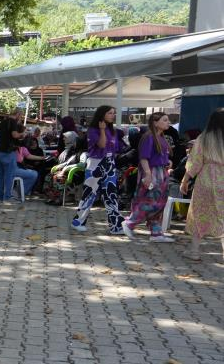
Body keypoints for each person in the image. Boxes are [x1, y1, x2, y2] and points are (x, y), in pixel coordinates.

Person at [72, 105, 125, 234]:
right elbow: (101, 145)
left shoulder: (113, 131)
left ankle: (116, 226)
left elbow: (117, 148)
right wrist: (102, 130)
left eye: (114, 113)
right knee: (90, 194)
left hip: (110, 163)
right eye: (110, 113)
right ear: (102, 115)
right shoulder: (93, 130)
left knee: (111, 194)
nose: (113, 115)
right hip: (95, 163)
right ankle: (78, 221)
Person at [123, 112, 175, 243]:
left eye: (167, 120)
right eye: (164, 120)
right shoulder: (149, 137)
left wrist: (167, 162)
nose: (168, 122)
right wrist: (148, 174)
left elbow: (159, 156)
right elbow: (144, 158)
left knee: (159, 202)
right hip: (152, 172)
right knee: (149, 201)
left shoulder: (161, 137)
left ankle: (156, 232)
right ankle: (130, 223)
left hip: (162, 172)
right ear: (155, 122)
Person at [181, 108, 224, 261]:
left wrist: (184, 180)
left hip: (206, 179)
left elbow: (194, 163)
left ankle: (194, 252)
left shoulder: (203, 138)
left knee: (199, 213)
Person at [0, 112, 21, 203]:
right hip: (8, 152)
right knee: (9, 175)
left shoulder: (3, 122)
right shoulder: (13, 122)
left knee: (0, 175)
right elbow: (14, 135)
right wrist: (22, 134)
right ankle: (8, 197)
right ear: (17, 115)